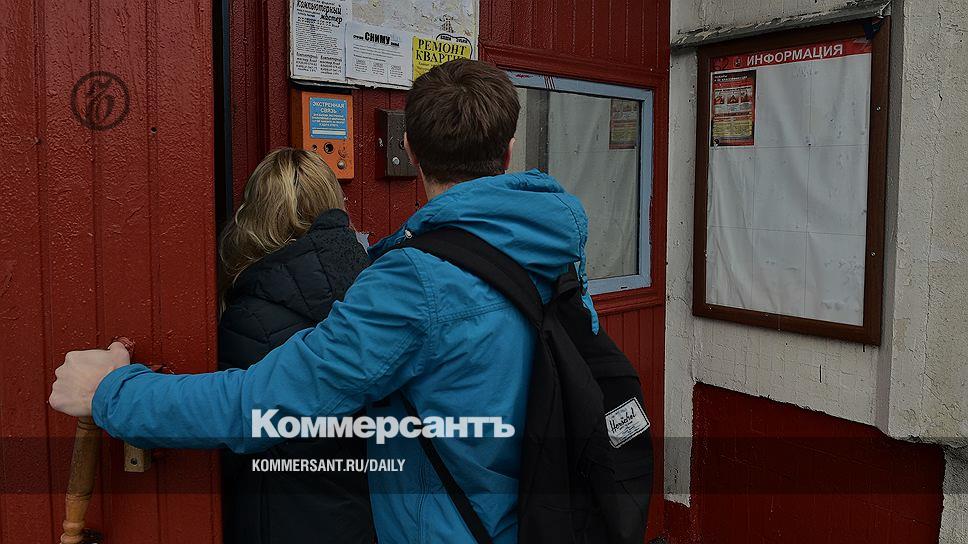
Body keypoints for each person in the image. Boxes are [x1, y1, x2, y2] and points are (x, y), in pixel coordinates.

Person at [50, 59, 599, 544]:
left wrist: (111, 393)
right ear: (508, 149)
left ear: (410, 148)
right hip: (544, 518)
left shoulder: (415, 281)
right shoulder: (549, 248)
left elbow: (265, 402)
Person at [216, 148, 373, 543]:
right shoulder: (373, 292)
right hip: (365, 515)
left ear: (255, 215)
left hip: (283, 517)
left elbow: (232, 430)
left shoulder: (247, 318)